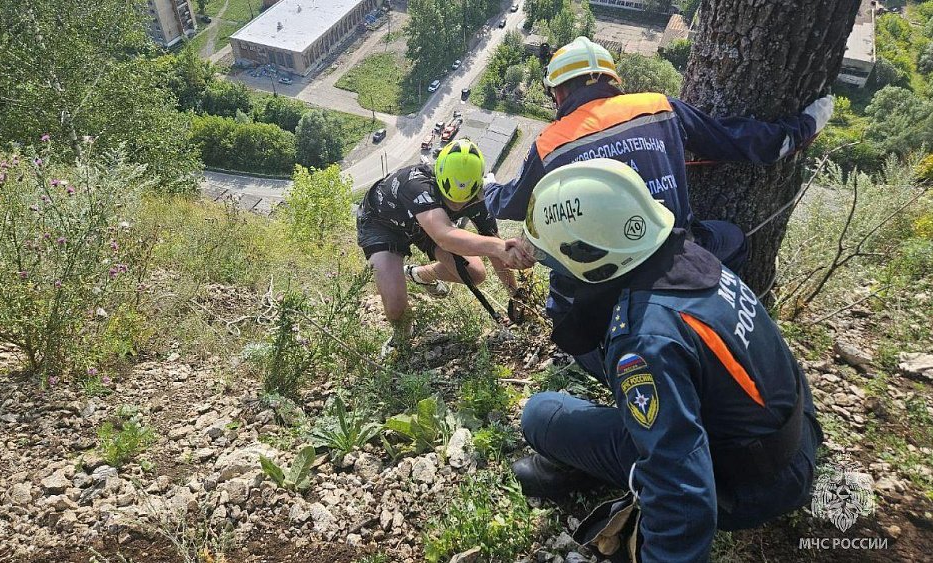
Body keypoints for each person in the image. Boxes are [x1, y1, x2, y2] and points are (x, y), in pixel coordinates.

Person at [515, 159, 823, 562]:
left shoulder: (642, 341)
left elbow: (681, 488)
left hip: (750, 486)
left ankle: (585, 468)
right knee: (596, 355)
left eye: (553, 259)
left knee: (541, 414)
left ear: (588, 254)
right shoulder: (689, 256)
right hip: (795, 436)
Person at [484, 36, 833, 326]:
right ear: (611, 80)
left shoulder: (550, 144)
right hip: (676, 258)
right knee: (733, 239)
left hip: (602, 281)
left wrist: (488, 187)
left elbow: (511, 204)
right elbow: (734, 139)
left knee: (563, 303)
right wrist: (802, 128)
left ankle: (588, 348)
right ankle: (722, 313)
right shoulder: (659, 107)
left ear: (558, 93)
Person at [356, 139, 524, 356]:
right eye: (449, 199)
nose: (458, 206)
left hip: (429, 224)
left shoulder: (479, 196)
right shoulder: (416, 184)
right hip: (383, 224)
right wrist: (497, 246)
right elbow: (444, 236)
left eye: (464, 201)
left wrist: (515, 296)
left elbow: (497, 250)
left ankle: (418, 274)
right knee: (396, 306)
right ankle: (401, 336)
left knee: (475, 274)